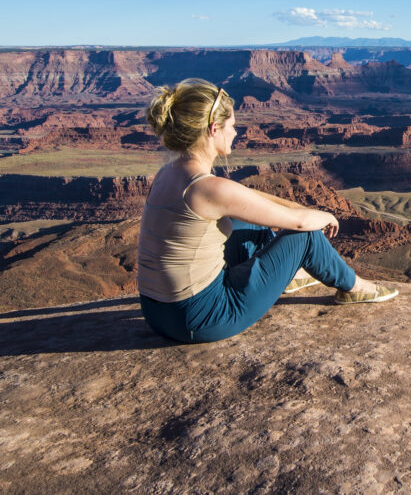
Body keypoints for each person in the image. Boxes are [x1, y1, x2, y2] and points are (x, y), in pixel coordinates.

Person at [136, 78, 396, 343]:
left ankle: (289, 276)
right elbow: (298, 223)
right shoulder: (208, 189)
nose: (236, 133)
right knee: (305, 236)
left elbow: (247, 198)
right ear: (214, 129)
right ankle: (354, 287)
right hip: (202, 318)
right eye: (233, 126)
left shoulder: (170, 172)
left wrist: (295, 205)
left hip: (157, 314)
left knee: (251, 225)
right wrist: (325, 216)